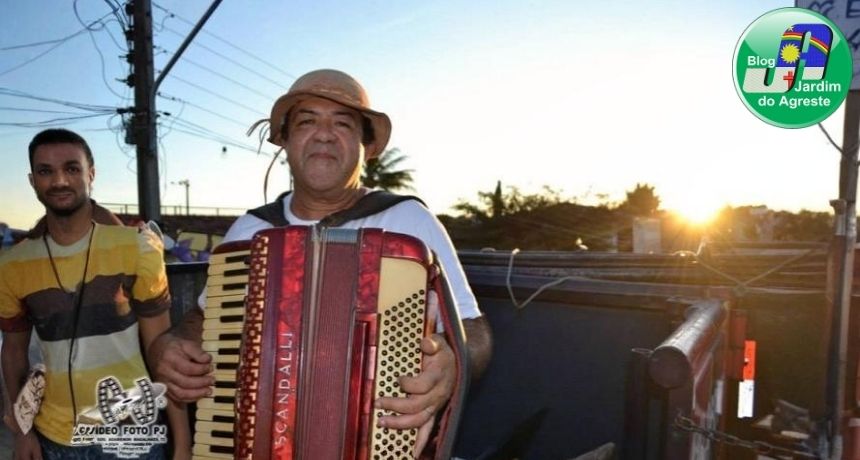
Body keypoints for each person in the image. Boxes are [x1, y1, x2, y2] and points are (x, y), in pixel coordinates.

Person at [148, 69, 492, 454]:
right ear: (285, 141)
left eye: (342, 123)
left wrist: (454, 364)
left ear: (366, 147)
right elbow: (205, 318)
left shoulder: (408, 221)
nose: (324, 133)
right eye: (307, 121)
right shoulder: (251, 229)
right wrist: (173, 343)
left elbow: (473, 330)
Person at [0, 129, 191, 459]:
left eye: (72, 168)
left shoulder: (136, 249)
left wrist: (183, 444)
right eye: (46, 171)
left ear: (91, 174)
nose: (59, 180)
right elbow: (13, 353)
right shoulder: (13, 265)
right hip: (53, 440)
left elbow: (162, 349)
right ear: (33, 181)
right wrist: (22, 431)